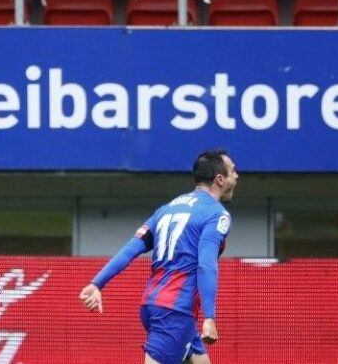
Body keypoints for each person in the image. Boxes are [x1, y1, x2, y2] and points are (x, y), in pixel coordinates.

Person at [80, 149, 239, 364]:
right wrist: (210, 316)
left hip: (153, 305)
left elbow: (130, 249)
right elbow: (206, 265)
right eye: (233, 171)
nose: (237, 176)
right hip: (174, 313)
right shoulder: (216, 214)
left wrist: (98, 283)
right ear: (220, 179)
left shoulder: (166, 210)